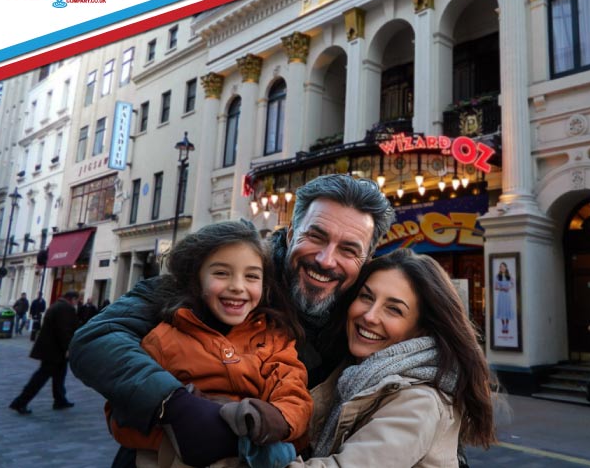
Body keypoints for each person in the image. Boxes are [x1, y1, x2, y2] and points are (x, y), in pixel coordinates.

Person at [69, 174, 394, 466]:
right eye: (317, 237)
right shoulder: (223, 274)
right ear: (293, 232)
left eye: (348, 250)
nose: (326, 260)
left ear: (365, 259)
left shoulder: (366, 318)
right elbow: (98, 338)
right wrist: (174, 404)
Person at [108, 221, 312, 467]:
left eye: (251, 276)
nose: (237, 286)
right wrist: (177, 431)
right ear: (196, 278)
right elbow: (121, 414)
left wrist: (269, 420)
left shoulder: (274, 339)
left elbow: (294, 395)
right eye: (221, 273)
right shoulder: (164, 338)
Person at [285, 248, 495, 466]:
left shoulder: (419, 403)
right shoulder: (351, 375)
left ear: (421, 329)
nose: (369, 316)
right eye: (366, 297)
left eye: (394, 310)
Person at [9, 291, 80, 414]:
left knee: (59, 375)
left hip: (51, 348)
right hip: (54, 350)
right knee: (40, 377)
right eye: (77, 300)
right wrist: (68, 348)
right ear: (72, 299)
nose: (77, 303)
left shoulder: (57, 305)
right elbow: (64, 330)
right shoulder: (65, 308)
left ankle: (60, 400)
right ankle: (20, 402)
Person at [494, 262, 514, 334]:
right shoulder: (497, 276)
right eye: (500, 267)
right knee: (502, 310)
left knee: (507, 309)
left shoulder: (509, 276)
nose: (502, 268)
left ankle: (507, 326)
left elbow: (512, 284)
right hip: (501, 295)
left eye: (503, 267)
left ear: (506, 267)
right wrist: (501, 288)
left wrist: (508, 287)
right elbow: (495, 287)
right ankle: (503, 326)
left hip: (507, 295)